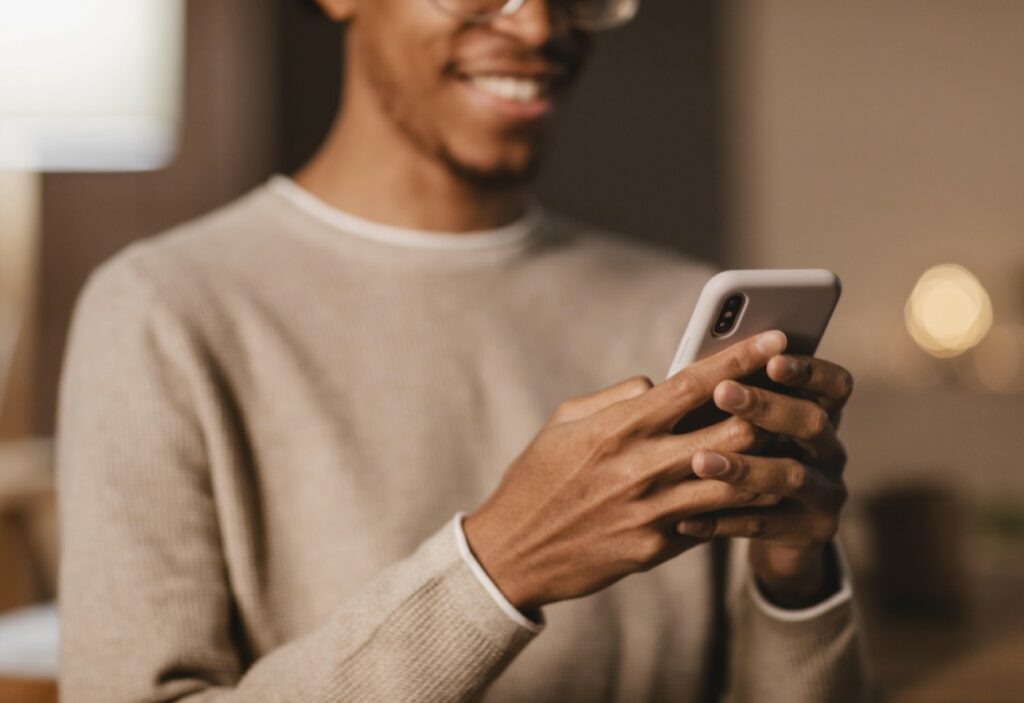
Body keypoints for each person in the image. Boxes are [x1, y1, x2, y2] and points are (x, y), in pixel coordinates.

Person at [57, 0, 867, 700]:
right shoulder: (162, 312)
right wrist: (498, 567)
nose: (541, 25)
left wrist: (794, 583)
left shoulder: (679, 310)